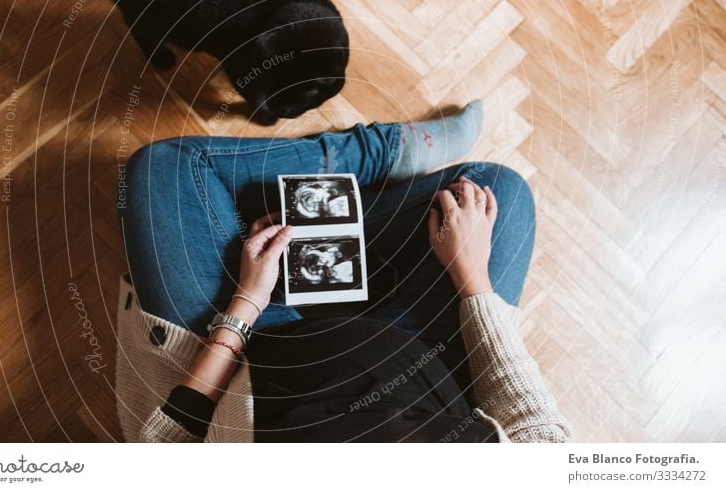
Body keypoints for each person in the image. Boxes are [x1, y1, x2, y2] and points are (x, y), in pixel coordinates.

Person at [115, 104, 573, 442]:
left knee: (167, 167)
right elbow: (532, 423)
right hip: (423, 354)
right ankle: (368, 164)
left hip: (248, 358)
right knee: (494, 190)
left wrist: (246, 303)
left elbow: (170, 441)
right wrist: (470, 272)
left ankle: (343, 174)